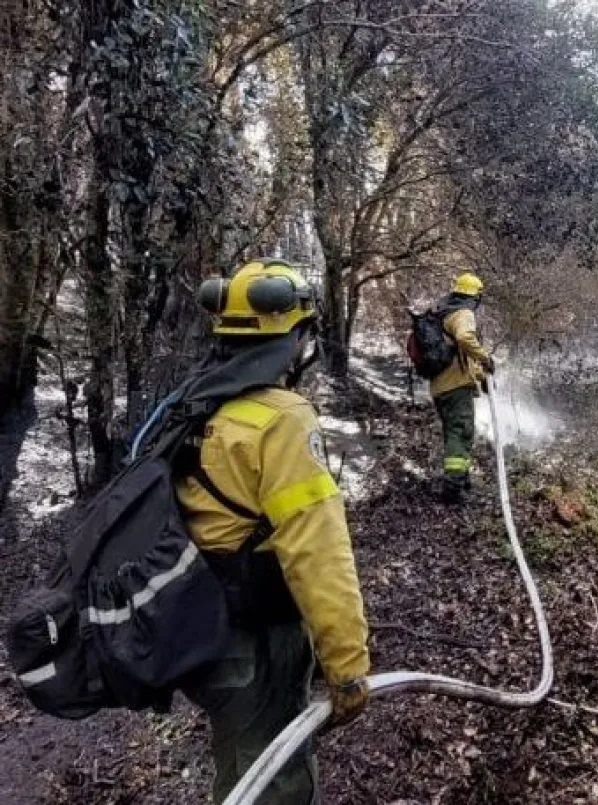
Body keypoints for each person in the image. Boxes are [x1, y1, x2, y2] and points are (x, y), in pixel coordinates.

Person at [177, 259, 370, 804]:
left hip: (202, 632)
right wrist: (348, 666)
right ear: (299, 337)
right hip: (255, 644)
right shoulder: (281, 418)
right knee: (274, 782)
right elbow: (317, 550)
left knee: (241, 768)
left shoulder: (197, 399)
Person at [428, 272, 495, 503]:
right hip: (456, 387)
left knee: (454, 433)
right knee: (461, 433)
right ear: (475, 296)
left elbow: (460, 358)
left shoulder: (443, 313)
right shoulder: (463, 313)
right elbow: (465, 339)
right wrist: (485, 358)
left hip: (440, 387)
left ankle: (460, 479)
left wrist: (481, 377)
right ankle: (453, 489)